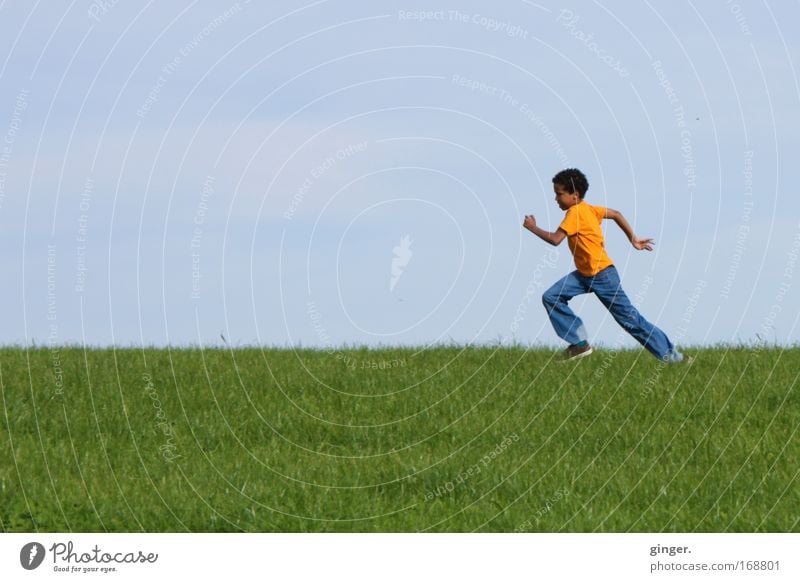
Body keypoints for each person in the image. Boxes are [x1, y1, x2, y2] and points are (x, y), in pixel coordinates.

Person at [523, 168, 687, 362]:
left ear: (574, 195)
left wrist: (533, 228)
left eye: (559, 194)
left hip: (602, 276)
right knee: (551, 297)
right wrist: (633, 239)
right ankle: (579, 344)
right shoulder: (589, 209)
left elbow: (556, 239)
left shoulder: (575, 213)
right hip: (585, 275)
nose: (556, 199)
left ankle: (676, 359)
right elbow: (616, 214)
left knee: (631, 321)